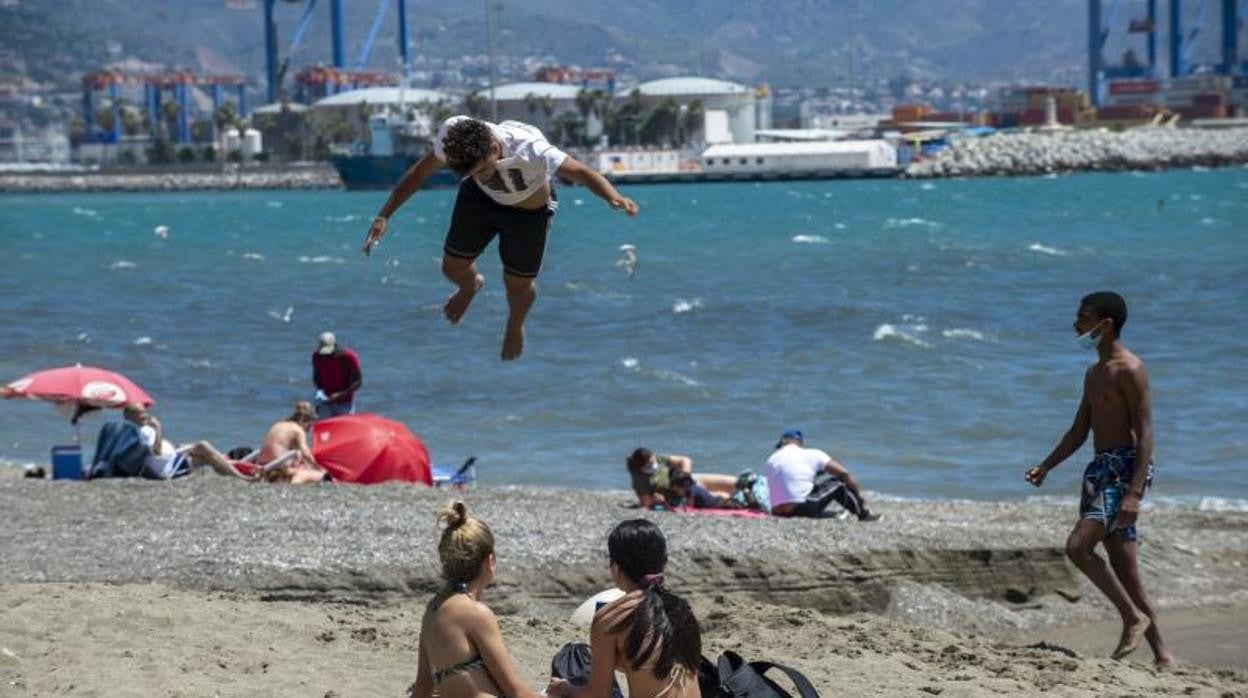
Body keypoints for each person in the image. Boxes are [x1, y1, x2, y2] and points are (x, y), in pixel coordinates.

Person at [361, 116, 639, 361]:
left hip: (528, 215)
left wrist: (614, 197)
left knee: (517, 285)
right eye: (472, 172)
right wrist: (385, 215)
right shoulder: (454, 137)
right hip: (480, 200)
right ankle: (470, 286)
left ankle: (515, 323)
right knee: (451, 268)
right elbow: (419, 173)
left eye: (482, 170)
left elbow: (581, 172)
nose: (480, 175)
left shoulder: (530, 148)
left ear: (494, 149)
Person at [1025, 291, 1173, 667]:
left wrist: (1134, 494)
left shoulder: (1131, 369)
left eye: (1083, 315)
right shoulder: (1094, 373)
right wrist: (1046, 466)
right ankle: (1164, 656)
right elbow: (1079, 431)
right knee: (1126, 569)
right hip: (1099, 469)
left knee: (1077, 547)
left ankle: (1132, 618)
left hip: (1125, 470)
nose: (1076, 321)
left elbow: (1146, 434)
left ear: (1105, 323)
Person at [547, 519, 701, 698]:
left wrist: (564, 688)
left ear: (617, 566)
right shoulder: (683, 611)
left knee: (571, 658)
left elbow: (597, 696)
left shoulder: (612, 618)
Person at [407, 501, 543, 698]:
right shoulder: (476, 614)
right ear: (490, 561)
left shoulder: (433, 608)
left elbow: (422, 690)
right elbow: (517, 694)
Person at [765, 429, 879, 521]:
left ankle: (827, 513)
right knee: (838, 483)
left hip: (777, 512)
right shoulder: (812, 454)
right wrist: (858, 496)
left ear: (783, 442)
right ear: (799, 442)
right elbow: (844, 473)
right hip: (801, 509)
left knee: (811, 487)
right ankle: (863, 514)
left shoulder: (771, 460)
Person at [121, 403, 249, 480]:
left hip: (171, 458)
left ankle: (234, 470)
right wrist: (158, 428)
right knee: (204, 447)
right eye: (140, 413)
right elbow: (157, 452)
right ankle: (239, 475)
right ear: (129, 416)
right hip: (168, 468)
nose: (145, 416)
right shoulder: (144, 431)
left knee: (206, 455)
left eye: (145, 412)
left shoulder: (132, 432)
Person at [625, 447, 737, 509]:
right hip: (680, 494)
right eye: (648, 463)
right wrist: (657, 500)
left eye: (652, 460)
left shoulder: (658, 459)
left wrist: (684, 477)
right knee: (723, 499)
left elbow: (685, 460)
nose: (652, 463)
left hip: (690, 481)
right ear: (642, 465)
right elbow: (645, 502)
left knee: (735, 484)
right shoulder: (641, 480)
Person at [256, 401, 329, 484]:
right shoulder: (297, 430)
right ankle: (294, 481)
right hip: (277, 468)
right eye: (310, 425)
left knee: (301, 462)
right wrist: (318, 467)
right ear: (303, 420)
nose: (309, 430)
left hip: (264, 465)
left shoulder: (279, 424)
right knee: (318, 475)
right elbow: (306, 452)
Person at [312, 331, 362, 419]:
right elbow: (316, 377)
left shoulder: (348, 356)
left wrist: (340, 395)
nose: (326, 355)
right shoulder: (316, 356)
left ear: (335, 345)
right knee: (323, 429)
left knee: (344, 429)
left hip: (344, 402)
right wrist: (320, 392)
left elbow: (358, 382)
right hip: (325, 402)